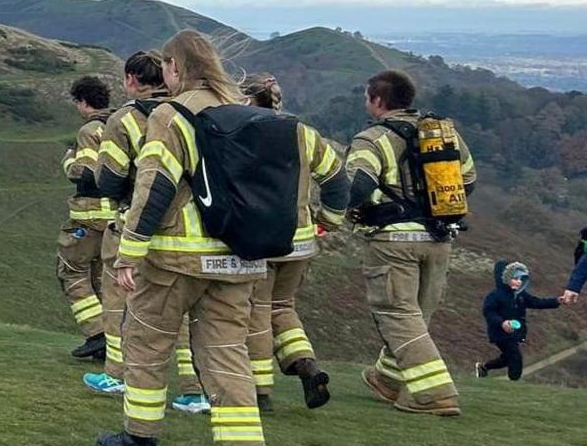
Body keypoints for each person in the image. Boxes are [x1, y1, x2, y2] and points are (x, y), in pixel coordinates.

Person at [96, 29, 268, 446]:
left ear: (174, 68)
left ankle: (139, 441)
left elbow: (155, 187)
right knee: (227, 355)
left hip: (177, 257)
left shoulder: (174, 115)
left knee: (147, 344)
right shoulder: (244, 113)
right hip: (238, 255)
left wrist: (130, 250)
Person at [347, 70, 476, 417]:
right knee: (415, 316)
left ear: (377, 100)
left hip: (392, 241)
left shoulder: (372, 139)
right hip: (439, 238)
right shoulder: (442, 135)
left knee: (397, 314)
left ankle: (433, 394)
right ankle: (388, 379)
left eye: (367, 97)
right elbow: (468, 180)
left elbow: (357, 186)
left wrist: (342, 212)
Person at [84, 51, 207, 414]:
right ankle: (194, 388)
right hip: (189, 229)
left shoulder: (124, 120)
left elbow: (108, 180)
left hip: (134, 224)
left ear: (131, 80)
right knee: (183, 312)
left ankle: (118, 374)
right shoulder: (191, 114)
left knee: (120, 302)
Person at [240, 74, 348, 411]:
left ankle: (259, 391)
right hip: (299, 240)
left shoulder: (238, 132)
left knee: (255, 311)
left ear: (245, 99)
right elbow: (335, 178)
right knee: (282, 307)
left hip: (257, 238)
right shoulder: (304, 133)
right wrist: (328, 221)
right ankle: (305, 364)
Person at [61, 76, 114, 361]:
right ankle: (111, 340)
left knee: (70, 271)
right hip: (116, 217)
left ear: (83, 102)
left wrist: (69, 160)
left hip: (89, 216)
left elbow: (86, 173)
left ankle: (97, 334)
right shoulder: (120, 123)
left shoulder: (90, 130)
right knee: (102, 279)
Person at [479, 261, 574, 380]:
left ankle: (484, 367)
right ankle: (514, 382)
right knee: (515, 357)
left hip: (514, 332)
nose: (519, 281)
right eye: (515, 278)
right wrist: (502, 323)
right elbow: (489, 312)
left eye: (520, 278)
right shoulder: (495, 296)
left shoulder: (520, 295)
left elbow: (536, 302)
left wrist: (556, 301)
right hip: (500, 333)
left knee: (507, 358)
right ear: (505, 278)